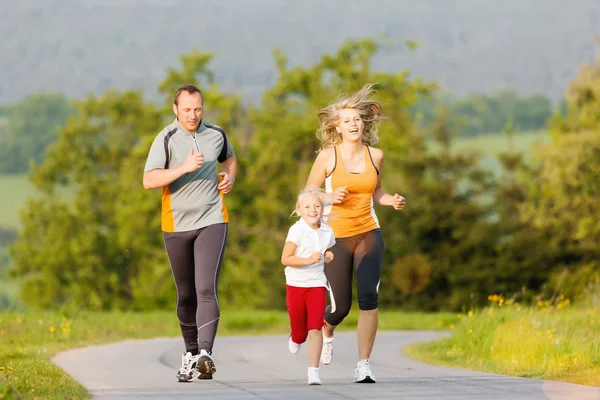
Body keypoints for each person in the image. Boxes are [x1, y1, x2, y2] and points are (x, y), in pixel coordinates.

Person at [304, 83, 406, 383]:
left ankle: (363, 364)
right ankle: (328, 327)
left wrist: (390, 200)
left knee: (369, 297)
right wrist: (328, 198)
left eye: (357, 120)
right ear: (337, 126)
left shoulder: (376, 156)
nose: (353, 124)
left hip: (368, 231)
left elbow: (376, 191)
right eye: (347, 120)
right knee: (339, 308)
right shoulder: (327, 156)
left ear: (364, 124)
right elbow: (309, 192)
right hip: (335, 236)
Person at [142, 83, 237, 382]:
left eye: (197, 109)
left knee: (206, 288)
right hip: (176, 224)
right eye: (186, 110)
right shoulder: (166, 138)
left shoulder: (216, 134)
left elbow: (230, 159)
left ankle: (206, 354)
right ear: (175, 109)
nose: (193, 115)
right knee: (186, 295)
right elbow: (149, 180)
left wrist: (230, 177)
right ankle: (190, 353)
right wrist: (183, 168)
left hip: (212, 218)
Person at [281, 187, 336, 385]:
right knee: (300, 333)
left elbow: (327, 250)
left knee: (315, 328)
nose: (313, 210)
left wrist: (329, 256)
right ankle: (295, 337)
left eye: (316, 206)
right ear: (299, 210)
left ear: (322, 209)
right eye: (307, 207)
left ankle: (313, 371)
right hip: (296, 284)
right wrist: (307, 260)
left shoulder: (327, 231)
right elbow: (285, 258)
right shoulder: (297, 230)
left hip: (317, 284)